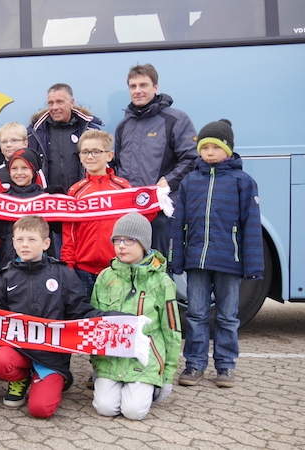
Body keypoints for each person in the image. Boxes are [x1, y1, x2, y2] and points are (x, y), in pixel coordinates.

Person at [0, 216, 112, 418]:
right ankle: (21, 377)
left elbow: (80, 312)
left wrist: (113, 318)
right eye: (19, 239)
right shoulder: (5, 276)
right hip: (19, 348)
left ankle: (55, 376)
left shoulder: (63, 274)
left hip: (51, 355)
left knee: (40, 410)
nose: (25, 245)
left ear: (46, 243)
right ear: (13, 242)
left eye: (31, 239)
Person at [171, 119, 263, 389]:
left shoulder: (243, 182)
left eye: (215, 147)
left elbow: (251, 225)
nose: (209, 152)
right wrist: (177, 259)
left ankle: (225, 366)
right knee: (196, 314)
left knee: (227, 317)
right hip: (197, 262)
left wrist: (252, 266)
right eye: (204, 147)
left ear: (228, 149)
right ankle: (195, 364)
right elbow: (179, 223)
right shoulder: (190, 181)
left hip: (229, 263)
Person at [90, 212, 182, 421]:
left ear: (144, 244)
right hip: (110, 360)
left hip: (145, 359)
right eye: (117, 240)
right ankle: (113, 385)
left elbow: (172, 331)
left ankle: (148, 385)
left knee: (133, 412)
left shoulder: (162, 282)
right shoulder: (105, 276)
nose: (121, 246)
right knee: (105, 408)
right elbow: (95, 324)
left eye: (129, 240)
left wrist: (167, 376)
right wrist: (96, 364)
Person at [113, 64, 198, 259]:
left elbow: (192, 158)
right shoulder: (123, 126)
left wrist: (168, 182)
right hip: (129, 211)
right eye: (133, 86)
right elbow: (117, 165)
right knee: (130, 265)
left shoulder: (175, 119)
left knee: (159, 265)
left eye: (143, 85)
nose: (138, 91)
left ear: (156, 87)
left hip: (161, 213)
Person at [60, 130, 133, 299]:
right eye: (85, 152)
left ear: (109, 155)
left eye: (96, 152)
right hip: (82, 270)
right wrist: (68, 265)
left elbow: (135, 226)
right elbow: (69, 233)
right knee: (84, 313)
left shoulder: (123, 188)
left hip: (117, 268)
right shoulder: (75, 191)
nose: (90, 157)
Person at [27, 83, 103, 194]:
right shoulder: (35, 133)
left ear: (71, 103)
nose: (54, 107)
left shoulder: (90, 131)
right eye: (51, 103)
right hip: (47, 199)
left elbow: (102, 167)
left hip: (82, 197)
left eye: (60, 102)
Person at [0, 122, 41, 192]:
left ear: (25, 143)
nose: (9, 145)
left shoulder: (37, 172)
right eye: (4, 142)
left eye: (14, 140)